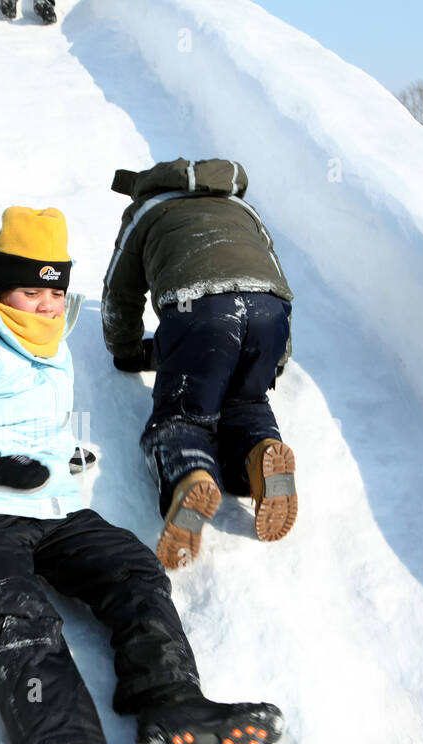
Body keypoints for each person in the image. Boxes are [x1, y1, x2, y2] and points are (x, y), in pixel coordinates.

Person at [0, 206, 284, 744]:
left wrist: (62, 458)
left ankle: (171, 707)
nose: (46, 306)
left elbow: (38, 423)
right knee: (20, 613)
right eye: (31, 290)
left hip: (53, 503)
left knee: (132, 568)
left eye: (55, 291)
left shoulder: (50, 337)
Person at [101, 157, 299, 570]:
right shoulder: (243, 209)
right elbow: (277, 279)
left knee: (182, 417)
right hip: (268, 311)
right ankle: (262, 450)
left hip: (201, 309)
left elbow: (120, 292)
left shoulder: (146, 210)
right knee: (246, 401)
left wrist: (125, 349)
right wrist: (278, 356)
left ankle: (191, 475)